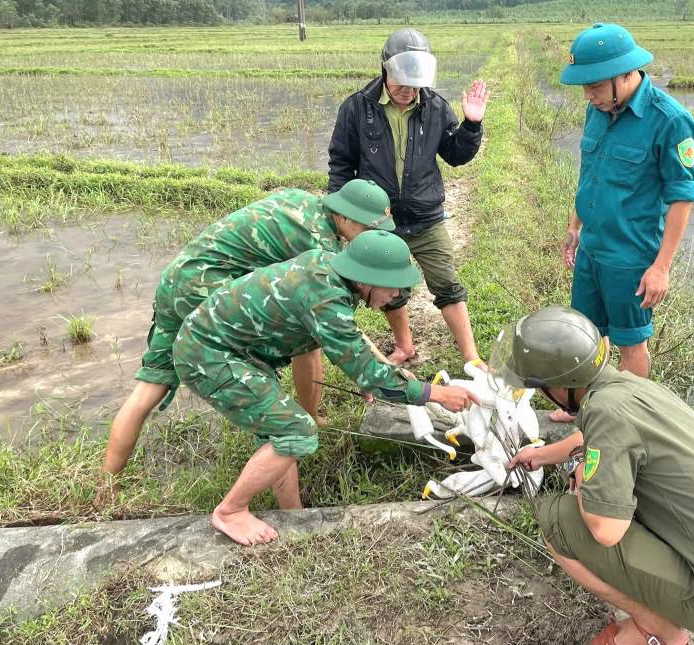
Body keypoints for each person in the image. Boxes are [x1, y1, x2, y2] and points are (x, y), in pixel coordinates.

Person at [498, 307, 694, 645]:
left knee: (559, 519)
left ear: (561, 386)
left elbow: (607, 530)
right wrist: (548, 453)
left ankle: (657, 629)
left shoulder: (605, 413)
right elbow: (602, 437)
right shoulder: (627, 387)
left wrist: (585, 477)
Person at [173, 231, 480, 546]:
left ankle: (292, 517)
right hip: (210, 355)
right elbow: (367, 368)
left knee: (280, 430)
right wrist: (437, 393)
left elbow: (352, 340)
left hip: (235, 348)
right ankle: (229, 511)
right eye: (393, 286)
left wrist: (375, 373)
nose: (397, 295)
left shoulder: (329, 268)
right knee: (298, 432)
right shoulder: (326, 298)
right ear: (367, 278)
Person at [99, 180, 395, 496]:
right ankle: (294, 434)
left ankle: (106, 488)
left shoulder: (302, 200)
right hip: (206, 290)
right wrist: (376, 371)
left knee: (148, 390)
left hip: (176, 280)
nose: (372, 236)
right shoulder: (319, 244)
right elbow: (335, 325)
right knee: (276, 379)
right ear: (346, 218)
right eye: (368, 228)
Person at [553, 23, 694, 423]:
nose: (587, 95)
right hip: (593, 250)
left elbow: (682, 198)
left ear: (625, 74)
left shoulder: (670, 121)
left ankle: (627, 420)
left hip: (630, 258)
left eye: (595, 85)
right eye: (583, 86)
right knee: (586, 335)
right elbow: (591, 172)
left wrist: (661, 267)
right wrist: (575, 223)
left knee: (630, 343)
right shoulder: (598, 110)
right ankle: (585, 408)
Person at [328, 28, 491, 367]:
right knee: (389, 287)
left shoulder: (434, 107)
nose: (407, 90)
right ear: (385, 68)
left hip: (425, 216)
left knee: (446, 283)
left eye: (414, 84)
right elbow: (341, 163)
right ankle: (405, 347)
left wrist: (471, 126)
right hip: (378, 218)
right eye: (401, 82)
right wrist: (341, 213)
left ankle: (472, 358)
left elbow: (456, 154)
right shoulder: (357, 107)